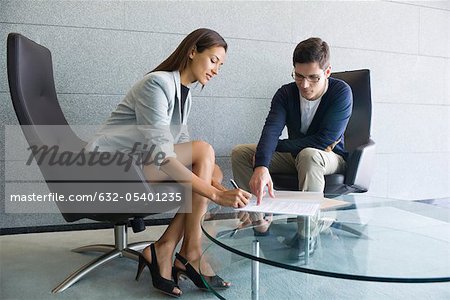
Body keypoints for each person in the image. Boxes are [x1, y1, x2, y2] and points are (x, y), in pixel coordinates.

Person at [86, 28, 251, 297]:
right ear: (192, 51)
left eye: (221, 65)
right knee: (205, 156)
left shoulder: (183, 92)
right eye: (213, 60)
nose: (217, 70)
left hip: (139, 163)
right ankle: (190, 252)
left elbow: (182, 148)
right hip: (110, 168)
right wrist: (216, 196)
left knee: (213, 169)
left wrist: (217, 187)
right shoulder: (157, 84)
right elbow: (164, 156)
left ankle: (166, 246)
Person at [231, 37, 352, 238]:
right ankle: (259, 219)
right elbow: (271, 130)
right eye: (299, 76)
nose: (304, 85)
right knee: (241, 153)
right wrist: (262, 164)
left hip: (330, 158)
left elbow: (325, 139)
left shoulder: (341, 92)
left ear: (327, 72)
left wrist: (275, 147)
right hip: (296, 155)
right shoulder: (286, 93)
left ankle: (308, 232)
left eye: (313, 77)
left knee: (308, 155)